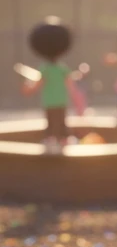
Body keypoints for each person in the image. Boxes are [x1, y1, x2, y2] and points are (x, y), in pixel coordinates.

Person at [17, 17, 80, 154]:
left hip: (52, 102)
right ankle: (60, 141)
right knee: (58, 123)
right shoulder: (57, 68)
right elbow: (71, 85)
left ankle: (58, 141)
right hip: (58, 101)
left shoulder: (47, 69)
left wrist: (28, 89)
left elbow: (37, 84)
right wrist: (77, 101)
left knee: (54, 123)